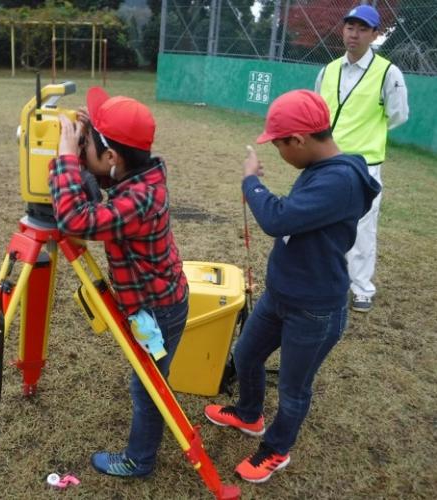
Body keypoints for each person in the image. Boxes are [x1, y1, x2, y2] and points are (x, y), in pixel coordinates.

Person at [204, 90, 381, 484]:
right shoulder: (319, 171)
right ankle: (249, 415)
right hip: (281, 295)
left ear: (299, 140)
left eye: (280, 144)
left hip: (315, 308)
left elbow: (277, 219)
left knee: (293, 388)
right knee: (247, 354)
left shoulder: (341, 181)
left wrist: (251, 181)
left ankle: (276, 449)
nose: (280, 153)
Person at [49, 87, 189, 478]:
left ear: (112, 158)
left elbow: (76, 221)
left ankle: (139, 460)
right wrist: (90, 133)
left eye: (89, 142)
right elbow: (100, 188)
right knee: (146, 380)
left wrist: (63, 156)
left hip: (159, 308)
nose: (81, 145)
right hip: (157, 299)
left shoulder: (139, 199)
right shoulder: (138, 174)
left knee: (148, 389)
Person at [315, 4, 409, 312]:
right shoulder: (328, 70)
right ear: (343, 29)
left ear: (374, 34)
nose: (354, 34)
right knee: (321, 222)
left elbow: (397, 115)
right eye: (350, 27)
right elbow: (318, 112)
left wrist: (367, 135)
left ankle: (362, 288)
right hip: (327, 162)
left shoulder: (388, 72)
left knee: (362, 228)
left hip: (364, 165)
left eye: (362, 29)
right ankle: (326, 280)